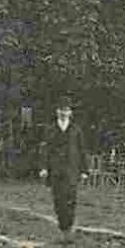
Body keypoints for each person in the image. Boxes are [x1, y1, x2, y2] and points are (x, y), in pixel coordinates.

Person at [39, 96, 84, 234]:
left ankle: (68, 226)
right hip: (56, 169)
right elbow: (45, 150)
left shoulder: (76, 130)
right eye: (61, 110)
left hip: (72, 169)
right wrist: (44, 167)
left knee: (71, 197)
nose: (63, 113)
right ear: (57, 112)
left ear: (70, 113)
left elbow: (82, 150)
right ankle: (62, 223)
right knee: (58, 198)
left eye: (66, 110)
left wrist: (84, 170)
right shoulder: (50, 129)